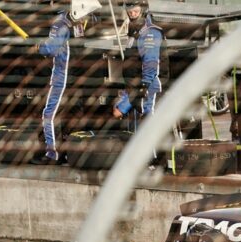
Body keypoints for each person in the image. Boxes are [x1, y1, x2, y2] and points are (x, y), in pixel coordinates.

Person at [30, 0, 101, 165]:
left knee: (49, 115)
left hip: (62, 77)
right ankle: (72, 154)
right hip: (76, 78)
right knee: (73, 116)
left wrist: (39, 47)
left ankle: (52, 154)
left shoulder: (60, 24)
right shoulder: (79, 25)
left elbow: (51, 49)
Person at [112, 0, 163, 124]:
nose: (132, 13)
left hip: (146, 89)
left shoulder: (149, 32)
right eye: (129, 10)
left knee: (148, 128)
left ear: (143, 8)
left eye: (136, 10)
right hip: (135, 88)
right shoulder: (135, 30)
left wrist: (140, 91)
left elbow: (150, 64)